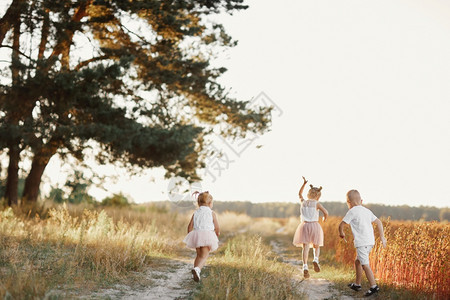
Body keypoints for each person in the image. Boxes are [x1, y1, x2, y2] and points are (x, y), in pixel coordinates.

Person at [338, 189, 387, 297]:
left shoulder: (352, 211)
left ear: (348, 202)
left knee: (365, 264)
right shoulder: (367, 211)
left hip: (362, 243)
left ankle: (374, 286)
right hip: (370, 242)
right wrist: (382, 237)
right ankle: (357, 284)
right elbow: (378, 222)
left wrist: (341, 233)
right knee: (358, 261)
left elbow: (341, 225)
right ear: (361, 200)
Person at [293, 176, 329, 278]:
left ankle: (305, 267)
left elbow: (299, 194)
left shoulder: (303, 202)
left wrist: (304, 184)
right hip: (314, 226)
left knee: (305, 247)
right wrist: (324, 218)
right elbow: (326, 212)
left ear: (308, 194)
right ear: (318, 196)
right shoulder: (317, 204)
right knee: (316, 245)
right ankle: (315, 260)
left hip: (304, 226)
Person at [183, 191, 220, 282]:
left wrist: (190, 236)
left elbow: (190, 226)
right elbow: (217, 226)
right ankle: (197, 270)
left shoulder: (195, 213)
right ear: (210, 203)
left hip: (196, 235)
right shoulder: (212, 213)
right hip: (207, 235)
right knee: (204, 256)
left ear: (198, 203)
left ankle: (195, 273)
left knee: (199, 255)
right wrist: (217, 234)